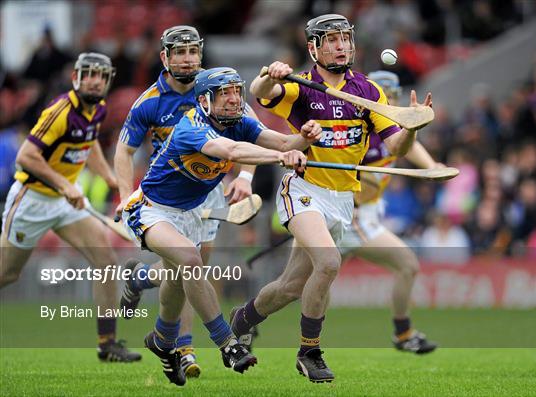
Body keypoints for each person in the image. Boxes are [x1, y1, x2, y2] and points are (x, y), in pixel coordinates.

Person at [231, 14, 432, 383]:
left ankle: (243, 319)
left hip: (343, 199)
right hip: (305, 190)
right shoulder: (302, 86)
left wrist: (413, 128)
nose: (342, 46)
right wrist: (269, 74)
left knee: (290, 287)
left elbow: (395, 146)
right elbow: (259, 94)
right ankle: (309, 352)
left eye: (345, 39)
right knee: (329, 263)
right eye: (332, 40)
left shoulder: (370, 92)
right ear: (314, 48)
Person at [122, 66, 321, 386]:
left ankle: (162, 340)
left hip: (190, 213)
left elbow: (284, 142)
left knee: (175, 278)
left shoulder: (239, 120)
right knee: (189, 260)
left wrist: (304, 139)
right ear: (204, 100)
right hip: (152, 210)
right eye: (224, 93)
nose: (233, 99)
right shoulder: (191, 126)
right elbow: (230, 151)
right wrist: (277, 157)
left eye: (236, 91)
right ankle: (227, 344)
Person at [113, 26, 257, 377]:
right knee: (190, 264)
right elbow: (124, 150)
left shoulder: (217, 89)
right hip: (168, 194)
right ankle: (185, 347)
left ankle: (142, 283)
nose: (188, 58)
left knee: (193, 268)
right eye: (179, 52)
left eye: (193, 51)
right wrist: (122, 197)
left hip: (209, 190)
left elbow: (251, 134)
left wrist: (246, 176)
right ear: (165, 58)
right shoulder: (149, 102)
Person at [0, 52, 141, 362]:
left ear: (107, 81)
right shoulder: (60, 111)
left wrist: (107, 176)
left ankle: (108, 345)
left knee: (105, 261)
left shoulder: (98, 109)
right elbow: (26, 156)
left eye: (101, 76)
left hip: (66, 201)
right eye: (88, 74)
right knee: (7, 273)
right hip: (33, 200)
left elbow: (87, 144)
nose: (94, 80)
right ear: (76, 77)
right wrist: (64, 185)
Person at [339, 70, 438, 354]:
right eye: (384, 96)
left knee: (300, 284)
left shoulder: (394, 133)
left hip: (365, 216)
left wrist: (432, 169)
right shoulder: (357, 134)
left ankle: (249, 316)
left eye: (392, 96)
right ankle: (403, 334)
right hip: (349, 217)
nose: (388, 102)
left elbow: (412, 147)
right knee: (298, 286)